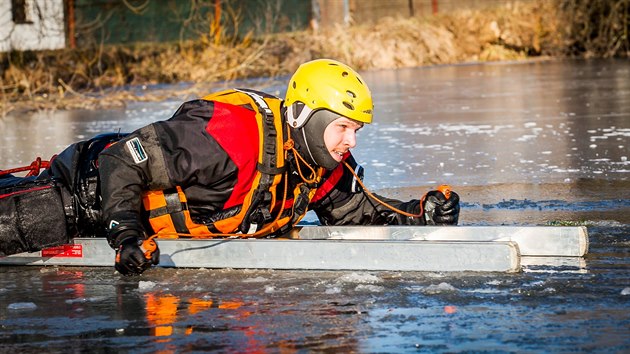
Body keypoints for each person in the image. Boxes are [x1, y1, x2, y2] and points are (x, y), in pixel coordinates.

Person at [0, 59, 460, 275]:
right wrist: (125, 234)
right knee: (29, 221)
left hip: (132, 234)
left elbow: (360, 215)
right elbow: (120, 159)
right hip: (84, 195)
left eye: (357, 130)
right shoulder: (230, 136)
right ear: (305, 116)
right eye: (343, 127)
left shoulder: (320, 161)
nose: (351, 141)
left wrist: (421, 214)